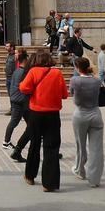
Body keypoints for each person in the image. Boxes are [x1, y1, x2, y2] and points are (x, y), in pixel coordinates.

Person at [19, 49, 68, 192]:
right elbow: (64, 94)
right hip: (53, 114)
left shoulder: (33, 72)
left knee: (34, 145)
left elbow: (23, 88)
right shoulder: (57, 73)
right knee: (52, 148)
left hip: (36, 113)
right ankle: (49, 183)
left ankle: (30, 175)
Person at [70, 57, 105, 186]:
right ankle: (94, 179)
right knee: (96, 148)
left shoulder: (74, 80)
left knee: (81, 145)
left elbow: (72, 94)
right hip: (95, 113)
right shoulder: (96, 80)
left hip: (80, 113)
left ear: (77, 67)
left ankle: (80, 170)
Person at [3, 50, 30, 150]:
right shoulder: (23, 72)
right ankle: (6, 141)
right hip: (20, 100)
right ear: (25, 60)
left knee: (30, 121)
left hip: (18, 99)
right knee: (14, 122)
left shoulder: (17, 71)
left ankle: (34, 135)